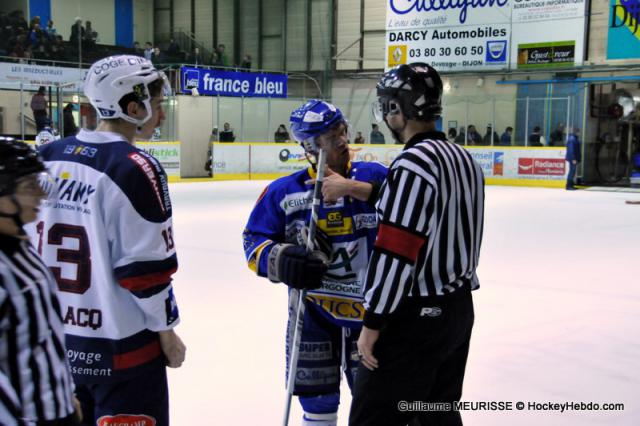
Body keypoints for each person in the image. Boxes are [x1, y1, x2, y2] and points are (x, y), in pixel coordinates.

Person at [28, 55, 186, 426]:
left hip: (55, 346)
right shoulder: (135, 167)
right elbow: (144, 273)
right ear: (133, 108)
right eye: (158, 105)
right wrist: (167, 332)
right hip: (123, 353)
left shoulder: (47, 156)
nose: (160, 115)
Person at [350, 62, 485, 426]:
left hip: (414, 321)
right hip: (458, 311)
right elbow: (435, 218)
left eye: (387, 105)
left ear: (398, 108)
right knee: (436, 415)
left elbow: (396, 252)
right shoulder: (465, 159)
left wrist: (373, 323)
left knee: (373, 418)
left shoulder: (411, 165)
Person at [243, 100, 388, 426]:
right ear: (309, 146)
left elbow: (408, 209)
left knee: (376, 402)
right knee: (318, 405)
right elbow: (252, 242)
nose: (341, 140)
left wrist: (353, 188)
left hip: (370, 316)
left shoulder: (374, 176)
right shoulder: (284, 192)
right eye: (328, 136)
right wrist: (280, 259)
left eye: (341, 131)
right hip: (311, 315)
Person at [0, 138, 81, 425]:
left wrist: (66, 393)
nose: (39, 195)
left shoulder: (21, 245)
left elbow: (46, 336)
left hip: (56, 409)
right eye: (27, 187)